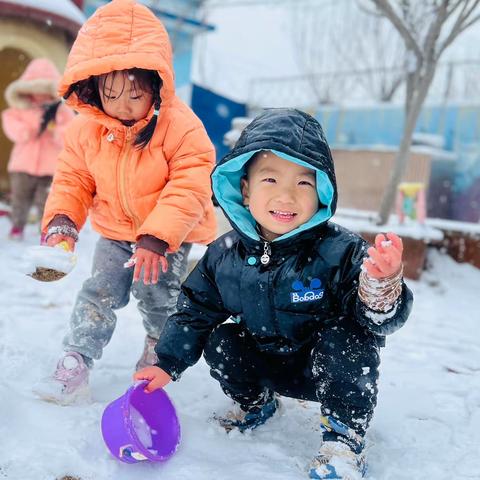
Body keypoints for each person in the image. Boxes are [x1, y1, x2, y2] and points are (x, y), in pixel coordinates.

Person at [134, 109, 414, 479]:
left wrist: (381, 283)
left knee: (348, 337)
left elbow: (379, 321)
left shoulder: (341, 251)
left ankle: (343, 441)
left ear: (322, 192)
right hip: (266, 362)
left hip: (327, 371)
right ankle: (255, 405)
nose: (286, 196)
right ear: (245, 190)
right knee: (222, 340)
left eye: (303, 183)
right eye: (270, 179)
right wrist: (167, 362)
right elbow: (194, 311)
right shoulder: (224, 255)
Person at [34, 0, 217, 405]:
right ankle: (76, 357)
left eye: (134, 94)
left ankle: (158, 350)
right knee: (99, 292)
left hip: (164, 238)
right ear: (92, 87)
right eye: (111, 94)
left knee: (158, 299)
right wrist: (62, 222)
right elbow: (73, 179)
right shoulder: (86, 131)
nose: (122, 106)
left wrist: (158, 237)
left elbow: (191, 183)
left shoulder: (181, 126)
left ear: (156, 83)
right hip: (116, 232)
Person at [1, 58, 74, 240]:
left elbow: (71, 131)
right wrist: (27, 130)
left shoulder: (61, 111)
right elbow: (11, 124)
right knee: (20, 198)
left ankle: (45, 230)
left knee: (48, 202)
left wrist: (56, 130)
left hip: (51, 166)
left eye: (45, 92)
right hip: (22, 164)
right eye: (35, 91)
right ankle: (17, 226)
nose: (40, 97)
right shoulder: (19, 109)